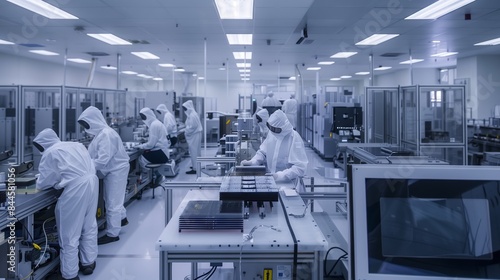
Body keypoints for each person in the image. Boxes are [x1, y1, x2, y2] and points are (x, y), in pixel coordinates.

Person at [34, 128, 98, 280]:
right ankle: (88, 262)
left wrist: (51, 182)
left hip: (76, 189)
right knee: (88, 226)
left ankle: (69, 275)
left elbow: (43, 183)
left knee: (69, 234)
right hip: (92, 183)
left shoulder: (50, 152)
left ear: (43, 144)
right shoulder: (76, 145)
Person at [77, 106, 130, 245]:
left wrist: (83, 167)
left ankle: (113, 233)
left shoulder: (106, 134)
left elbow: (102, 160)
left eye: (87, 124)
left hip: (116, 170)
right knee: (112, 198)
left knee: (113, 201)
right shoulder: (101, 134)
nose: (85, 128)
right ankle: (121, 219)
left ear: (94, 120)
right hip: (112, 169)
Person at [241, 110, 308, 185]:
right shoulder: (273, 133)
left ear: (283, 127)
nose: (273, 131)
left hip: (288, 184)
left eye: (275, 129)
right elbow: (262, 152)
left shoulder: (294, 138)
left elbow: (300, 168)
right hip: (269, 180)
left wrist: (279, 176)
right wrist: (254, 161)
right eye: (271, 128)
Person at [182, 100, 202, 175]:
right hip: (195, 134)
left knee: (194, 152)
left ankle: (195, 169)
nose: (184, 110)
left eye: (185, 108)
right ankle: (196, 166)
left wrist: (186, 130)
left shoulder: (192, 115)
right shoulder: (191, 114)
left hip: (194, 135)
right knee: (196, 151)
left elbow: (193, 126)